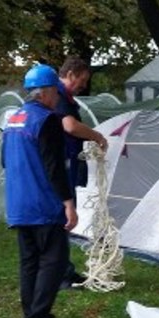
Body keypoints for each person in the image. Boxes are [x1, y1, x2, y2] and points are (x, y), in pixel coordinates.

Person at [2, 64, 77, 318]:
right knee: (55, 260)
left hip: (18, 203)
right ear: (45, 93)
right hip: (43, 203)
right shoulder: (48, 120)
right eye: (56, 93)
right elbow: (54, 166)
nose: (57, 98)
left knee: (30, 261)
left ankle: (31, 316)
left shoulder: (13, 120)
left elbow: (4, 161)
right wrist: (68, 202)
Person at [54, 56, 108, 289]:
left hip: (66, 164)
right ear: (71, 74)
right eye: (82, 80)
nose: (83, 86)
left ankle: (63, 269)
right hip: (62, 166)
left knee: (62, 220)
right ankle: (61, 274)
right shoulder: (59, 97)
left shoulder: (58, 97)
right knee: (62, 218)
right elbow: (70, 126)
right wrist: (97, 136)